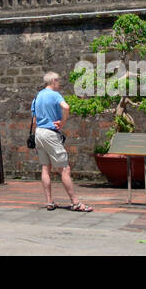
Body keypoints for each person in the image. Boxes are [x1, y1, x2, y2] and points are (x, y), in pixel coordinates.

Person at [29, 72, 91, 212]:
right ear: (53, 81)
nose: (60, 83)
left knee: (46, 168)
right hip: (51, 133)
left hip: (39, 133)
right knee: (64, 168)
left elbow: (34, 120)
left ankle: (49, 201)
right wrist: (62, 122)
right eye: (59, 81)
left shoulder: (37, 96)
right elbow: (66, 107)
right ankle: (75, 202)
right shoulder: (55, 95)